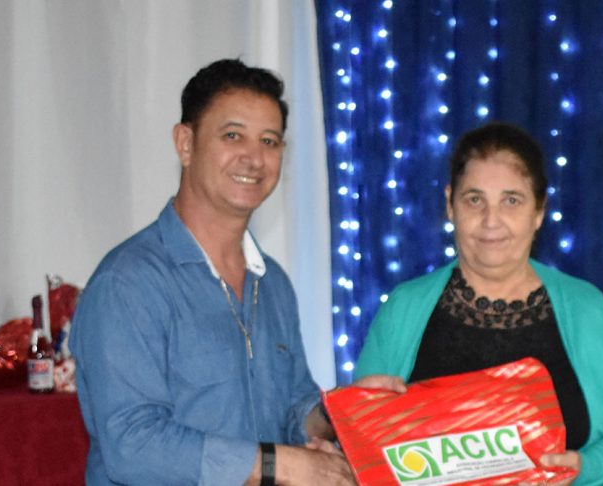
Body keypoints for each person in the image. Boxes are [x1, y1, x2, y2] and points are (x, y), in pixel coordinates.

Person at [70, 59, 402, 486]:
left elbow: (292, 409)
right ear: (185, 143)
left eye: (269, 141)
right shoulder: (128, 282)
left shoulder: (272, 282)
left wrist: (344, 412)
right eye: (232, 135)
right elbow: (132, 446)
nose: (254, 158)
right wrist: (281, 465)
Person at [354, 122, 603, 485]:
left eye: (511, 200)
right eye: (474, 200)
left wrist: (583, 467)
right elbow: (362, 445)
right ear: (450, 204)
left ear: (539, 211)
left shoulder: (586, 309)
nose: (491, 221)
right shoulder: (403, 307)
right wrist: (361, 414)